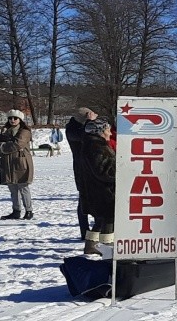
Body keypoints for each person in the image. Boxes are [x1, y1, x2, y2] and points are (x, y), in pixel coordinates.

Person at [81, 119, 116, 255]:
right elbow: (104, 171)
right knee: (108, 218)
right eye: (107, 129)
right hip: (103, 192)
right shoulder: (97, 147)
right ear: (100, 132)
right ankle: (108, 248)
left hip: (97, 190)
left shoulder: (93, 144)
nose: (109, 132)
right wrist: (121, 170)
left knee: (100, 219)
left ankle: (91, 245)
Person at [0, 110, 35, 220]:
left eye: (15, 118)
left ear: (20, 119)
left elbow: (17, 144)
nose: (12, 120)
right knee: (12, 187)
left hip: (21, 162)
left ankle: (29, 210)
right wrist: (3, 145)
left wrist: (2, 147)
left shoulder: (25, 131)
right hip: (8, 163)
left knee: (23, 186)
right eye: (10, 118)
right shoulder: (5, 131)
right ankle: (16, 210)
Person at [66, 107, 97, 238]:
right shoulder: (73, 129)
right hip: (82, 169)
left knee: (95, 199)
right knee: (83, 200)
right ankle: (85, 231)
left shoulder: (80, 127)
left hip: (91, 167)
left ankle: (95, 229)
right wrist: (90, 122)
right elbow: (86, 136)